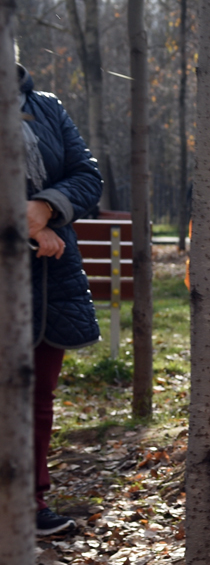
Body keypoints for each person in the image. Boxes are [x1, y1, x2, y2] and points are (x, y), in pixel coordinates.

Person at [19, 46, 103, 537]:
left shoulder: (47, 106)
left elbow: (88, 178)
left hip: (49, 280)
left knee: (38, 394)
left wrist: (47, 208)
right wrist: (24, 223)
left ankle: (30, 502)